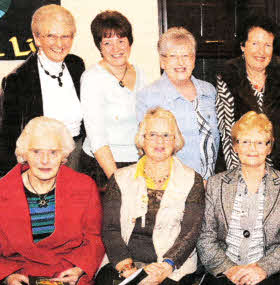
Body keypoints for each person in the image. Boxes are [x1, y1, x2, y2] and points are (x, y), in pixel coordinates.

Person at [96, 107, 204, 284]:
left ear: (175, 140)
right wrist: (127, 269)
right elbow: (110, 229)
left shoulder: (193, 180)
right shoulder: (120, 178)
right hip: (122, 264)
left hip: (173, 268)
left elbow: (190, 233)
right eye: (152, 134)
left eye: (166, 135)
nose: (159, 141)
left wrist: (165, 267)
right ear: (142, 139)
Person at [197, 111, 280, 285]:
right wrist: (230, 269)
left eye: (260, 142)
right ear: (235, 146)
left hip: (270, 274)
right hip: (225, 272)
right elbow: (205, 237)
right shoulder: (216, 184)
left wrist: (262, 269)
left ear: (269, 147)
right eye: (245, 141)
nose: (252, 149)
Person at [0, 117, 104, 285]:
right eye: (36, 152)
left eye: (53, 152)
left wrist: (79, 269)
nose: (45, 160)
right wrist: (6, 275)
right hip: (19, 274)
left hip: (68, 274)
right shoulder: (2, 190)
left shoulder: (84, 187)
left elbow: (94, 238)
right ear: (24, 154)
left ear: (64, 155)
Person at [215, 15, 280, 190]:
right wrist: (237, 178)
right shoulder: (227, 78)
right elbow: (227, 132)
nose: (261, 51)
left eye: (267, 45)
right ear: (243, 45)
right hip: (240, 168)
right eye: (255, 43)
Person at [0, 4, 85, 176]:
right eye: (51, 36)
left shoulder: (77, 65)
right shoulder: (17, 80)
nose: (60, 44)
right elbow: (8, 140)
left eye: (65, 36)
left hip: (78, 158)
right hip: (40, 163)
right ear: (37, 39)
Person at [137, 27, 219, 180]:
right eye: (173, 56)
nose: (180, 62)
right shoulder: (148, 96)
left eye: (186, 56)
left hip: (210, 182)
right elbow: (145, 148)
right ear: (162, 61)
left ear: (194, 59)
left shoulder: (209, 91)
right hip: (172, 185)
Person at [79, 10, 145, 189]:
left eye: (121, 41)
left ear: (130, 42)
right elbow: (97, 138)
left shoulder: (140, 73)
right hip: (102, 167)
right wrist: (117, 181)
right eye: (108, 43)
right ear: (99, 47)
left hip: (137, 162)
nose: (116, 49)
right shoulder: (92, 78)